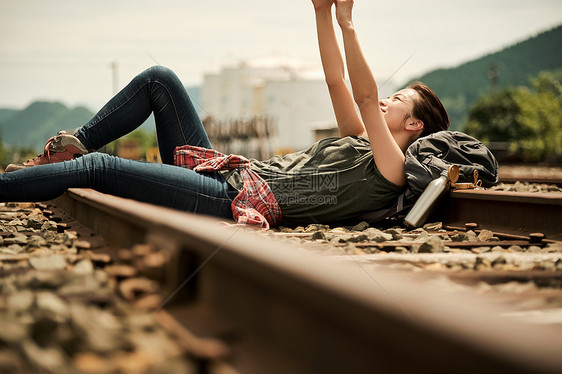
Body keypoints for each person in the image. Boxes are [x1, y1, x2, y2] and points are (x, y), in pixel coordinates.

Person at [1, 0, 449, 227]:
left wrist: (348, 21)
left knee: (97, 170)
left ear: (415, 124)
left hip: (230, 199)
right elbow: (337, 82)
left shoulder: (391, 169)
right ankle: (72, 145)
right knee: (160, 79)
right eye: (392, 95)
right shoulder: (356, 140)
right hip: (228, 172)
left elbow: (367, 99)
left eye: (400, 99)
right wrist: (321, 11)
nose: (388, 99)